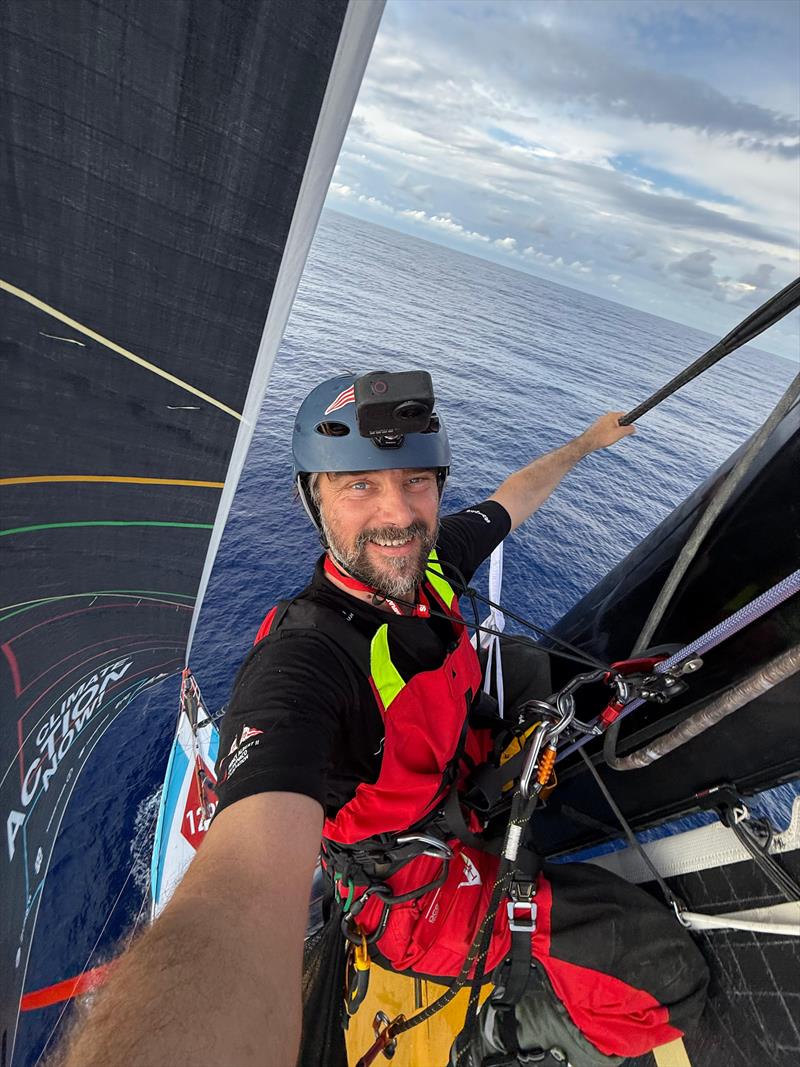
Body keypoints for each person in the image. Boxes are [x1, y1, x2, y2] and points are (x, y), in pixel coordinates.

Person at [62, 371, 707, 1067]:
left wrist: (587, 441)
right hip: (410, 889)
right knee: (669, 978)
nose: (398, 513)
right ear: (314, 502)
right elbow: (242, 890)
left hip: (454, 775)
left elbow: (508, 501)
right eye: (359, 486)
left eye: (416, 481)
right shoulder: (306, 662)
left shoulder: (429, 565)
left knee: (535, 666)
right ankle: (501, 1031)